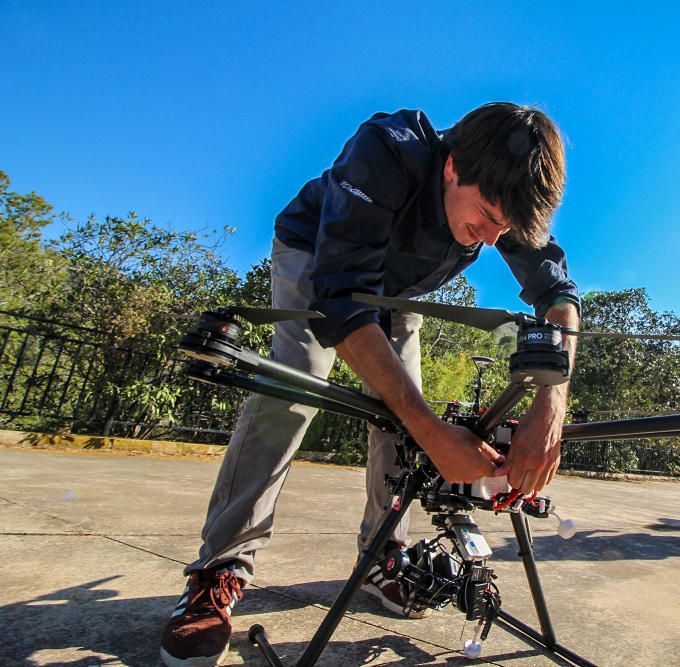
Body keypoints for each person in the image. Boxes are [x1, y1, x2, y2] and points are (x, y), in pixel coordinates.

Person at [160, 103, 581, 667]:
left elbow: (559, 298)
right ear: (452, 167)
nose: (487, 240)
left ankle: (384, 559)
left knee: (400, 418)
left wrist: (550, 406)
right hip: (318, 258)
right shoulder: (386, 149)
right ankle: (219, 572)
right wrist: (433, 434)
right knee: (294, 391)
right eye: (483, 218)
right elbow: (337, 301)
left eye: (502, 230)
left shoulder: (502, 190)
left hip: (399, 288)